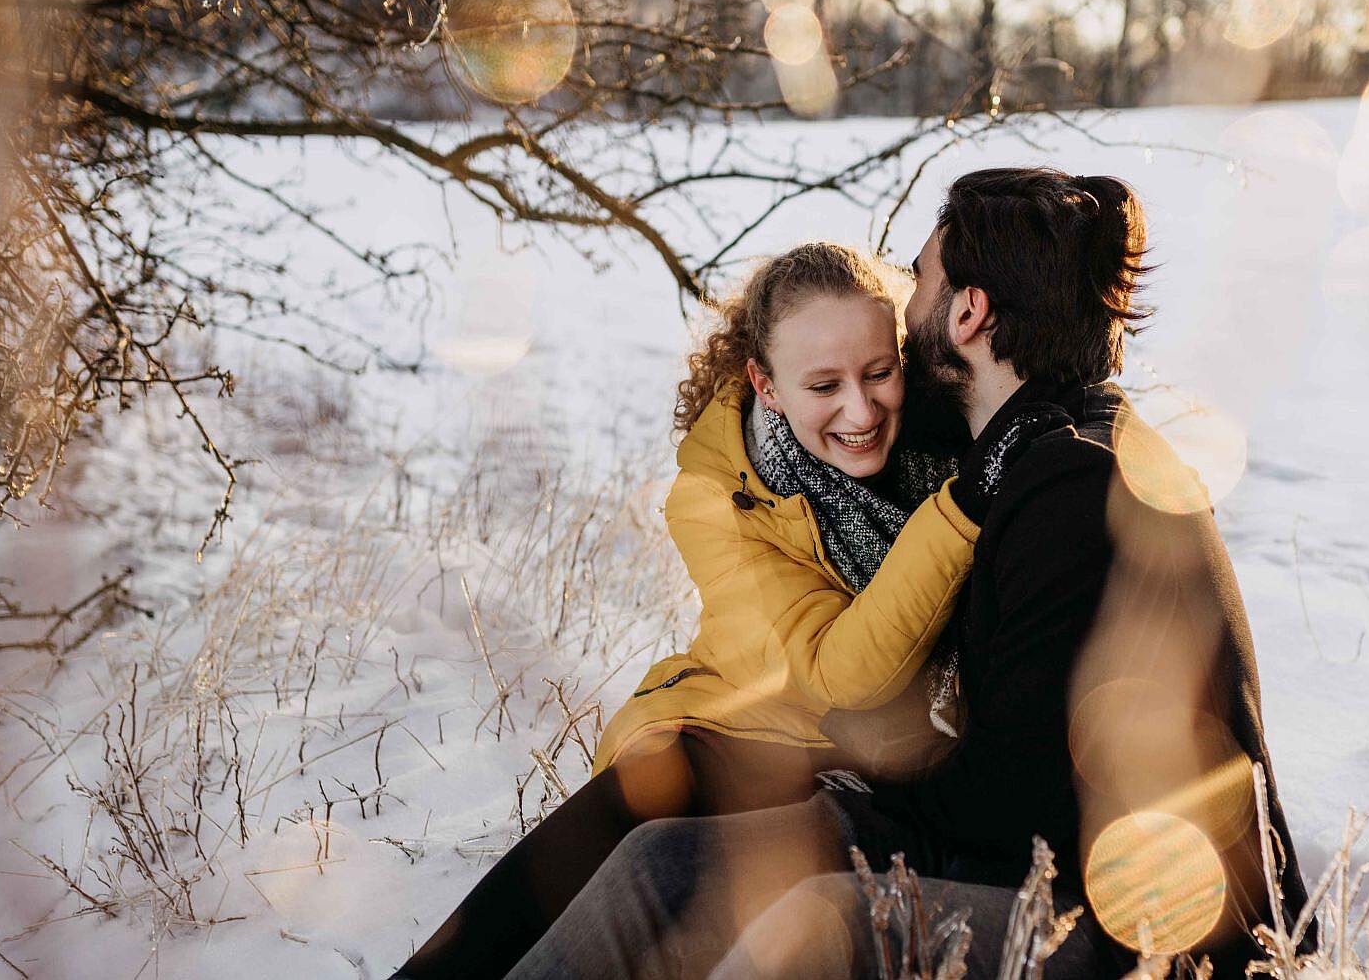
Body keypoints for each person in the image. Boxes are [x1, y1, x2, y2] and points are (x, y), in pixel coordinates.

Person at [496, 168, 1315, 980]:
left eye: (920, 275)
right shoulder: (1027, 449)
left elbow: (1014, 808)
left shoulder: (1071, 484)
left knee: (812, 922)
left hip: (1146, 935)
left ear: (968, 311)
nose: (907, 298)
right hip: (1055, 873)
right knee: (660, 857)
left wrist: (848, 801)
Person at [392, 242, 985, 980]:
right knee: (620, 824)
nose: (861, 410)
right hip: (750, 731)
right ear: (765, 385)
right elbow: (841, 672)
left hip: (867, 770)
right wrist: (960, 514)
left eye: (878, 372)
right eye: (823, 384)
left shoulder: (949, 445)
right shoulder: (718, 493)